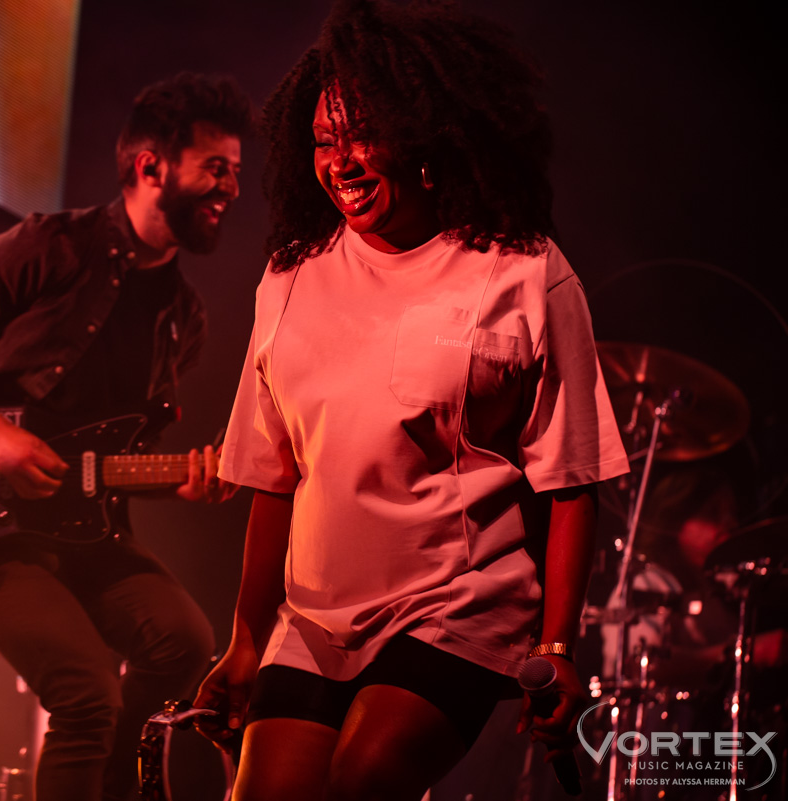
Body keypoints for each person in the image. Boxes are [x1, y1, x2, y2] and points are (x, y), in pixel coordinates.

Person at [192, 3, 630, 800]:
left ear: (425, 133)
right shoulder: (291, 278)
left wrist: (560, 645)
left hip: (454, 607)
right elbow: (273, 479)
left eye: (363, 134)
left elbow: (573, 480)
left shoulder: (522, 270)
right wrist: (246, 641)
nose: (341, 162)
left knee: (364, 778)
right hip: (314, 622)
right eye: (324, 140)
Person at [0, 72, 253, 801]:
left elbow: (103, 457)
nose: (232, 188)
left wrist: (180, 478)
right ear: (151, 167)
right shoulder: (49, 246)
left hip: (78, 524)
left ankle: (117, 782)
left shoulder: (186, 318)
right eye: (216, 167)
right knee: (85, 694)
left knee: (186, 639)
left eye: (236, 172)